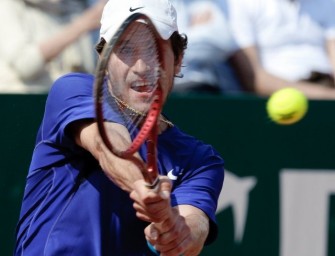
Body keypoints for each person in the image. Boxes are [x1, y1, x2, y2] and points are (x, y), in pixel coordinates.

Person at [14, 0, 225, 255]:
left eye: (155, 51)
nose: (142, 67)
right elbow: (107, 144)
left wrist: (176, 232)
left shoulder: (200, 160)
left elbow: (195, 226)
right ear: (103, 60)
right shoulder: (73, 90)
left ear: (178, 60)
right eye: (125, 49)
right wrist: (142, 184)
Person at [224, 0, 335, 99]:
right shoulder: (238, 4)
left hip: (326, 90)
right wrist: (327, 95)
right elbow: (254, 79)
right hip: (271, 101)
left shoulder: (328, 3)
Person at [0, 0, 106, 93]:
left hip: (68, 103)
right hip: (23, 103)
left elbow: (88, 68)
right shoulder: (9, 5)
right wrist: (82, 25)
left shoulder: (76, 6)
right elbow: (24, 64)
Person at [171, 0, 242, 94]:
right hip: (168, 88)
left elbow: (221, 43)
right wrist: (199, 31)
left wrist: (175, 42)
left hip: (209, 89)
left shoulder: (208, 3)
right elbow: (162, 47)